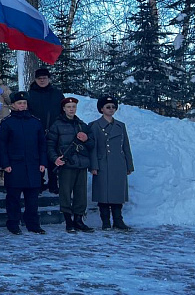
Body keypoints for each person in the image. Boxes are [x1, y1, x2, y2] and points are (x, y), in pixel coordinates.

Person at [0, 91, 47, 235]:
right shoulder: (7, 122)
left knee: (32, 198)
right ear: (13, 105)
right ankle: (13, 223)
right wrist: (5, 164)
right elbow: (2, 145)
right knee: (13, 198)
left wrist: (43, 162)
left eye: (24, 103)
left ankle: (32, 224)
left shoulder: (35, 122)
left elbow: (42, 144)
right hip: (14, 166)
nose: (22, 106)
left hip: (33, 165)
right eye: (19, 103)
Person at [47, 97, 95, 233]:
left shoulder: (82, 125)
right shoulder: (56, 125)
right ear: (64, 109)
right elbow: (50, 145)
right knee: (65, 194)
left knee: (81, 194)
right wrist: (55, 159)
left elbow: (92, 144)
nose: (71, 109)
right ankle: (69, 221)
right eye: (69, 107)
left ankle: (79, 220)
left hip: (81, 164)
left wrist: (86, 139)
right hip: (66, 165)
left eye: (73, 107)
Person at [89, 95, 134, 231]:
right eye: (108, 107)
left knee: (117, 194)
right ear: (101, 109)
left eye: (113, 107)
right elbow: (93, 148)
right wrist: (93, 166)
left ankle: (118, 220)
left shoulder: (120, 126)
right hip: (102, 164)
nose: (111, 109)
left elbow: (126, 146)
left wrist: (129, 165)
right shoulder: (94, 126)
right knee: (103, 195)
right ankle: (106, 222)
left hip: (118, 164)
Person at [28, 67, 65, 193]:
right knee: (37, 157)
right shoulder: (30, 94)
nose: (42, 80)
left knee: (53, 157)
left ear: (49, 79)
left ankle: (53, 183)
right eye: (39, 78)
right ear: (35, 79)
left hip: (54, 130)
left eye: (44, 78)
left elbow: (63, 110)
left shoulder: (57, 94)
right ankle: (39, 183)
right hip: (35, 130)